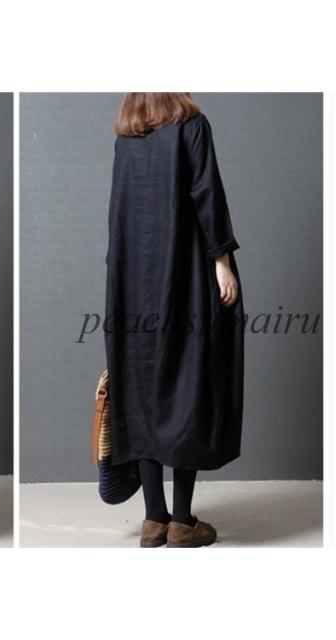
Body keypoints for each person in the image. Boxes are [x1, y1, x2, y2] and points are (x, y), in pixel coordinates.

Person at [105, 93, 243, 548]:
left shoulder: (126, 138)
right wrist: (222, 260)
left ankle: (153, 519)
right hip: (185, 276)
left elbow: (118, 213)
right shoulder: (192, 126)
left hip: (132, 280)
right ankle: (182, 521)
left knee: (142, 388)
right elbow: (207, 192)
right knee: (188, 386)